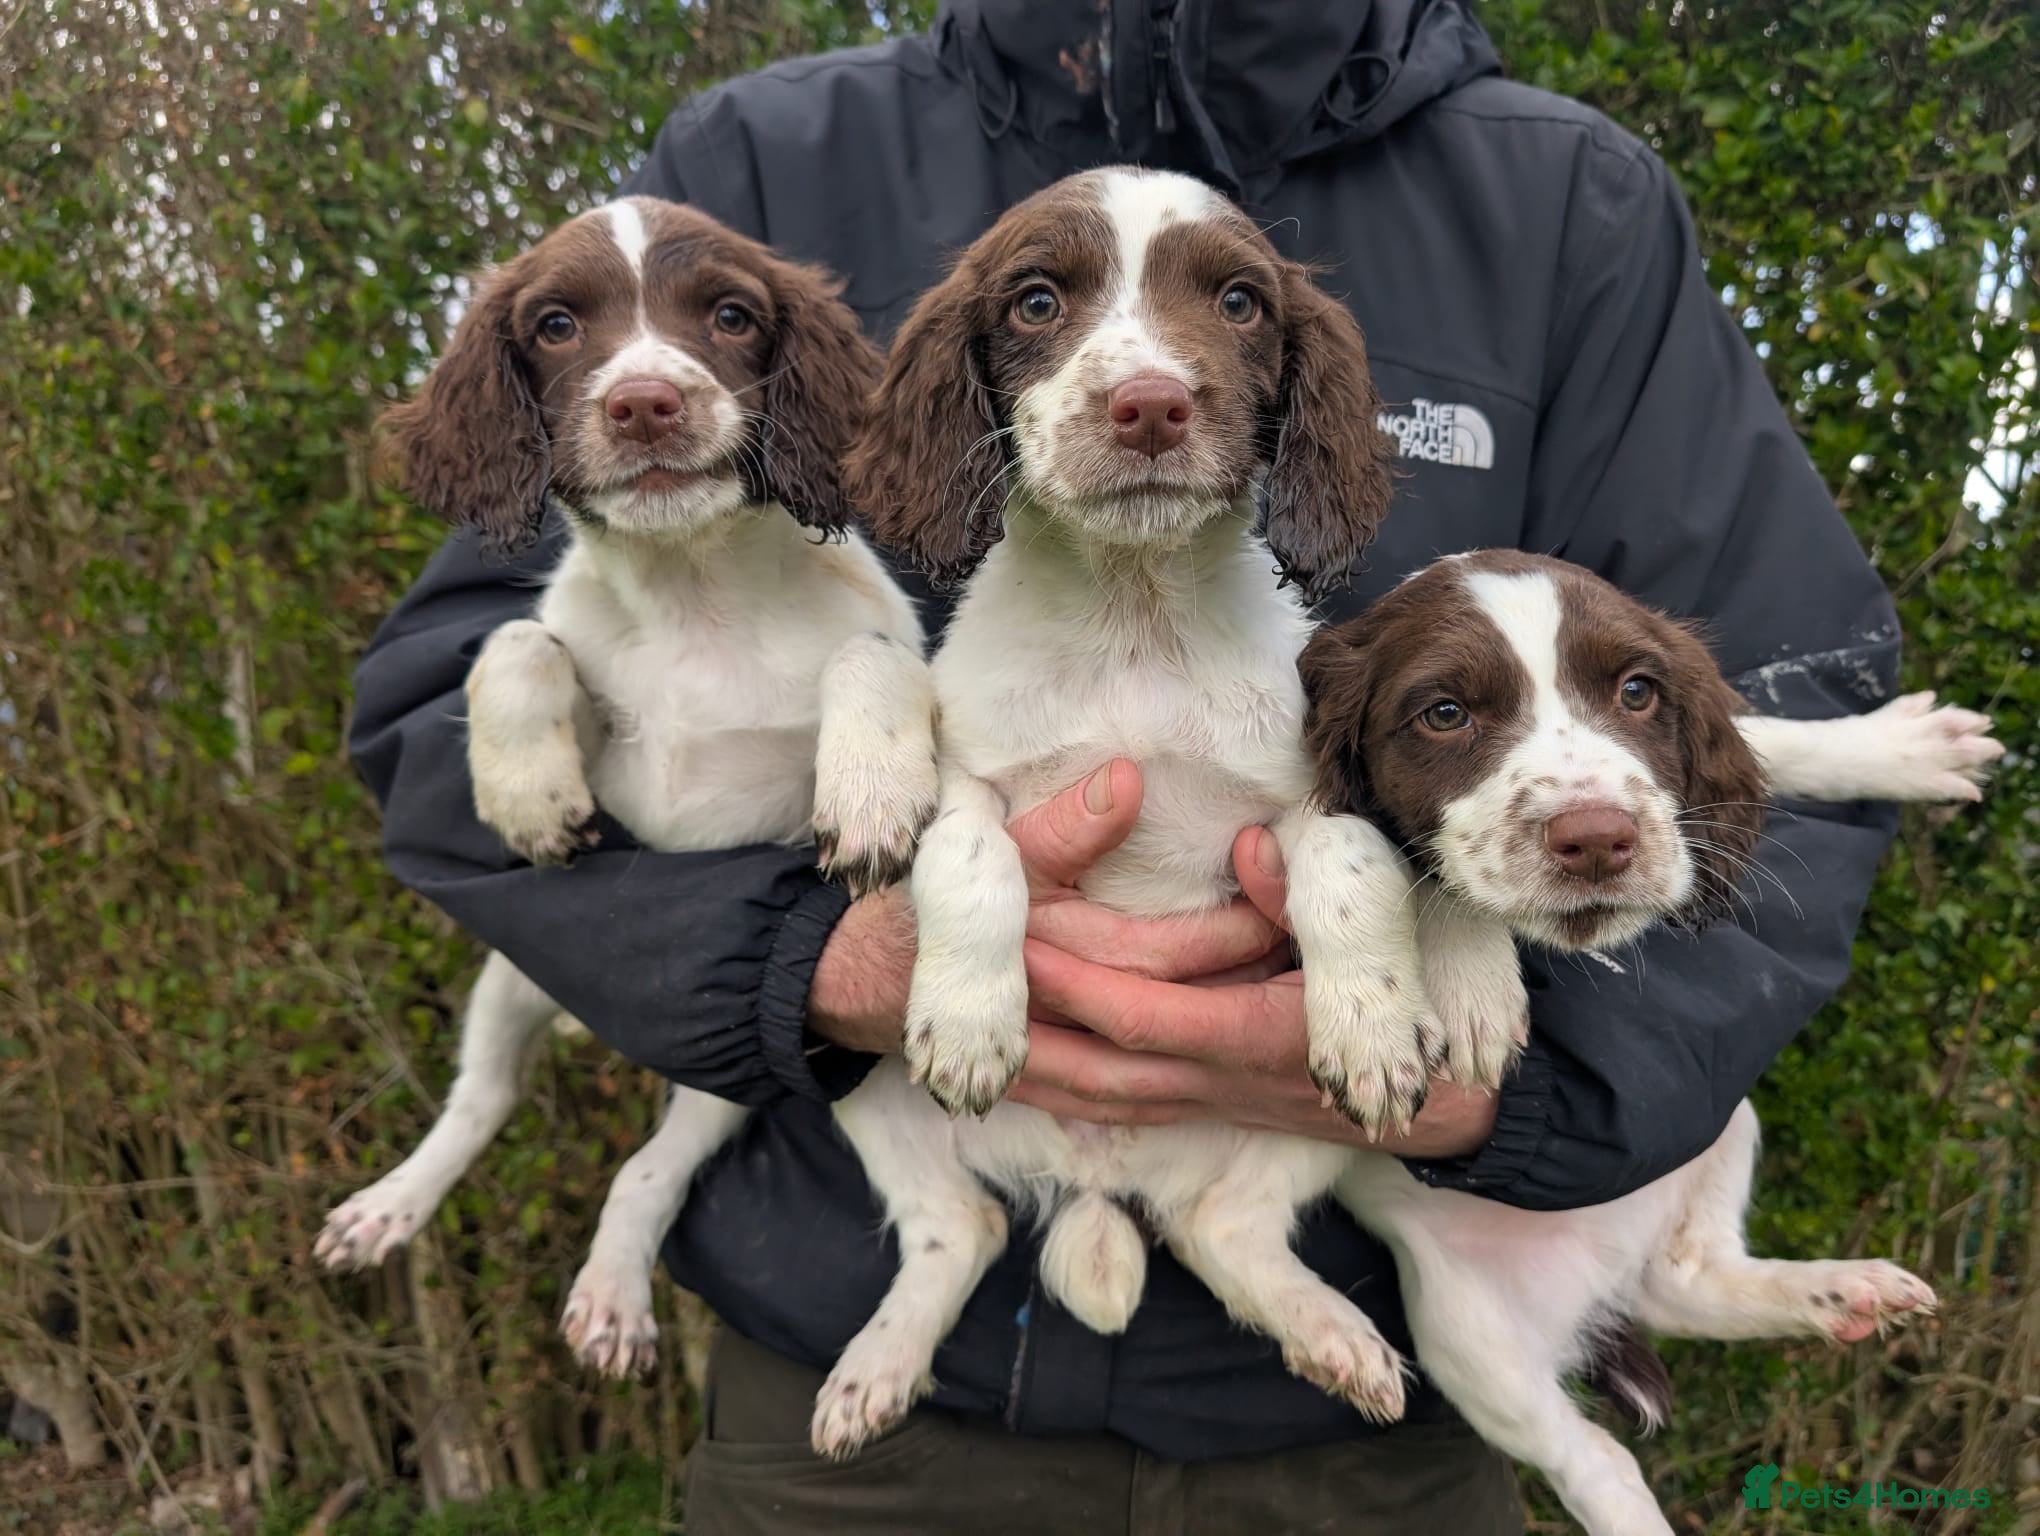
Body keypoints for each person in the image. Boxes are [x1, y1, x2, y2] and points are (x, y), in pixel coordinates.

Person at [348, 2, 1903, 1530]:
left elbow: (1757, 722)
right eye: (1047, 310)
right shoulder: (758, 162)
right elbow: (448, 707)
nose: (1146, 383)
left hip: (1365, 1419)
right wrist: (804, 959)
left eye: (1219, 316)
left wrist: (1505, 1086)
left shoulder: (1565, 202)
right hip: (861, 1382)